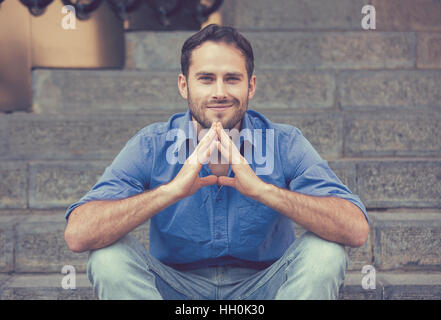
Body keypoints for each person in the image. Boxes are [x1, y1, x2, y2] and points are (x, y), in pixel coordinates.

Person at [64, 24, 369, 300]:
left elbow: (354, 229)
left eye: (232, 79)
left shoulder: (284, 143)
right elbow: (79, 234)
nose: (220, 92)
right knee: (108, 258)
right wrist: (170, 191)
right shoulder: (152, 144)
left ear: (250, 86)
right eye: (206, 79)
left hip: (265, 289)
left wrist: (264, 191)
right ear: (184, 85)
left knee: (326, 252)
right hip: (175, 289)